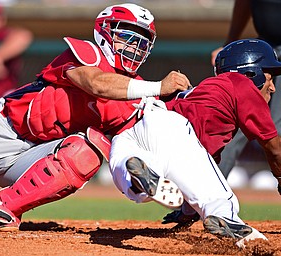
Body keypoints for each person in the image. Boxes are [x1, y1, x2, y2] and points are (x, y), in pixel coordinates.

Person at [0, 3, 190, 231]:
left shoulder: (138, 93)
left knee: (87, 152)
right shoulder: (86, 53)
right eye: (127, 36)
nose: (134, 47)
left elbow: (140, 138)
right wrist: (159, 86)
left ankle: (6, 207)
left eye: (142, 41)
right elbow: (97, 84)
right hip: (2, 130)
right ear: (105, 32)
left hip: (35, 156)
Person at [109, 39, 281, 247]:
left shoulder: (207, 91)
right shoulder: (242, 84)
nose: (272, 88)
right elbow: (275, 149)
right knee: (220, 202)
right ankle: (245, 234)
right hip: (175, 129)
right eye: (270, 78)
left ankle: (138, 178)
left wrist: (186, 213)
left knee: (130, 178)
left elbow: (192, 170)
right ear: (252, 73)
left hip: (134, 130)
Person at [211, 0, 281, 178]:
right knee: (235, 118)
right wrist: (230, 41)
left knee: (276, 128)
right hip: (265, 49)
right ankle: (206, 192)